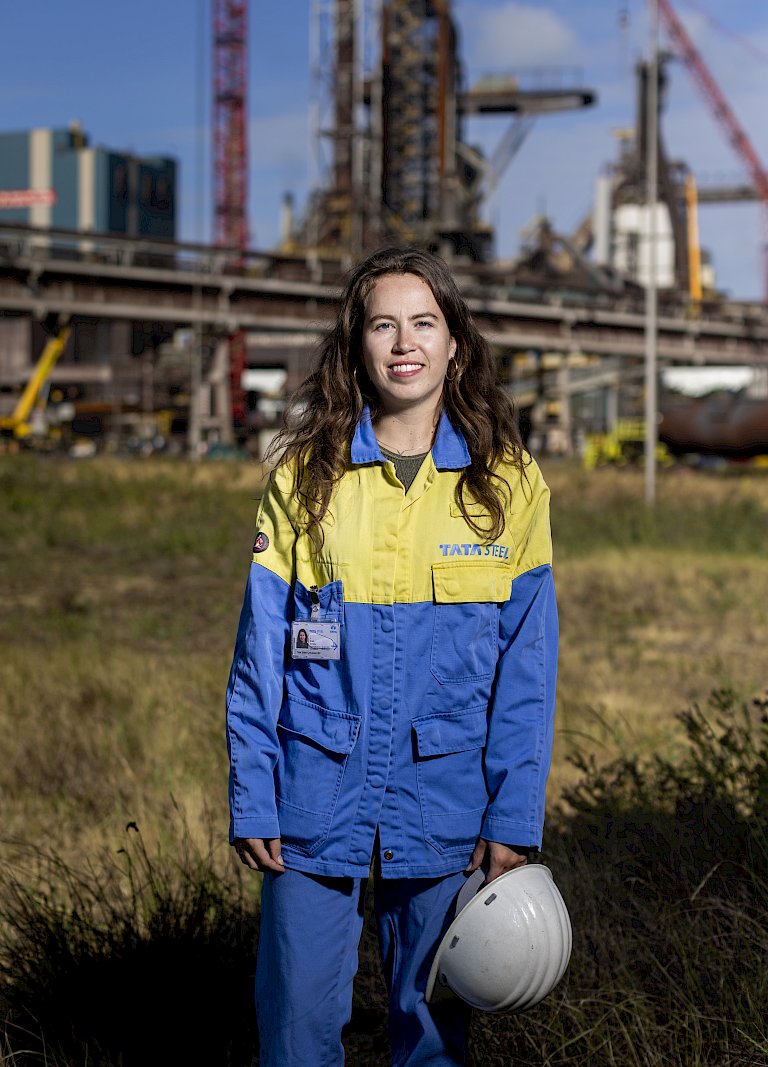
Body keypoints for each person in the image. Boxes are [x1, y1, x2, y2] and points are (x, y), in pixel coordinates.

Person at [225, 246, 558, 1066]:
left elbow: (528, 668)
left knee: (432, 1037)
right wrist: (254, 791)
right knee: (296, 1032)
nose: (404, 343)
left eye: (423, 323)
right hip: (312, 792)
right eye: (383, 324)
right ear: (357, 345)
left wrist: (512, 814)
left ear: (455, 345)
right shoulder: (305, 477)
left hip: (447, 802)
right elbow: (259, 652)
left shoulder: (508, 483)